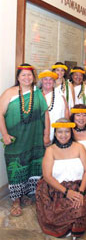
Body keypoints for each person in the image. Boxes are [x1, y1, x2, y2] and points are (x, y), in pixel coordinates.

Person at [0, 64, 50, 217]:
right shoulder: (9, 93)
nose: (27, 78)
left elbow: (45, 114)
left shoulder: (37, 93)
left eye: (30, 75)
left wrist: (46, 134)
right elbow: (0, 114)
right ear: (18, 77)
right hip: (16, 140)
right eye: (23, 75)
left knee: (31, 166)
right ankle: (16, 200)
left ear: (33, 77)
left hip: (34, 139)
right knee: (16, 168)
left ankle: (26, 194)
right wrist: (5, 135)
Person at [36, 118, 86, 239]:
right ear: (55, 133)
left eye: (67, 132)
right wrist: (66, 192)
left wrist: (80, 192)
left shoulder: (79, 147)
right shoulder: (50, 150)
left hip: (78, 186)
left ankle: (75, 228)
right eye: (60, 132)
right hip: (55, 188)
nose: (63, 135)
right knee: (52, 215)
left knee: (78, 207)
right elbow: (47, 176)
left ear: (71, 133)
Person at [38, 70, 69, 141]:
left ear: (54, 82)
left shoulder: (60, 94)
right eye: (45, 79)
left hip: (58, 131)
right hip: (40, 131)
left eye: (51, 79)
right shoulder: (36, 95)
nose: (48, 81)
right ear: (41, 81)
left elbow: (66, 112)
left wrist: (66, 128)